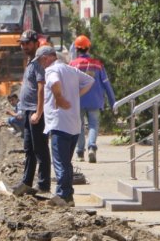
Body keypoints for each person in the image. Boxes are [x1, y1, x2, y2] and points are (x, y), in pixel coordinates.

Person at [37, 45, 94, 206]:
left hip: (59, 123)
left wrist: (59, 97)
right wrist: (76, 94)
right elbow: (90, 80)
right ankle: (68, 196)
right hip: (74, 125)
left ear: (47, 58)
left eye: (41, 61)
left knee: (61, 163)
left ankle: (63, 195)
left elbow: (54, 81)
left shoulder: (51, 70)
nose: (41, 65)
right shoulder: (71, 70)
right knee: (66, 163)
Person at [12, 29, 52, 196]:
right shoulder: (30, 62)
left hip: (35, 111)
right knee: (29, 148)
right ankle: (27, 181)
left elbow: (42, 87)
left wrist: (39, 111)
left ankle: (43, 185)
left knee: (40, 148)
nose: (24, 46)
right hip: (28, 110)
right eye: (22, 43)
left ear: (36, 44)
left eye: (27, 43)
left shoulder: (38, 64)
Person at [69, 35, 116, 163]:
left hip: (78, 100)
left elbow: (68, 84)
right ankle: (91, 147)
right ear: (88, 47)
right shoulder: (98, 65)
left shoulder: (72, 65)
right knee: (93, 125)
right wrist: (113, 102)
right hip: (95, 100)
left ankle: (79, 153)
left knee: (78, 126)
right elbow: (107, 84)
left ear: (77, 49)